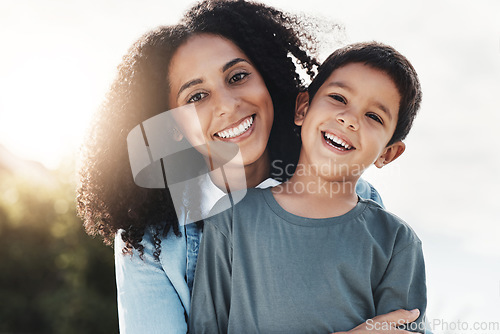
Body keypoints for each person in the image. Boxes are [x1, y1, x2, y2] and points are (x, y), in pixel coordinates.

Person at [76, 0, 420, 332]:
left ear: (266, 78)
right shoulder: (147, 239)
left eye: (238, 76)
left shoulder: (358, 200)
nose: (228, 106)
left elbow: (402, 322)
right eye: (196, 96)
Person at [190, 41, 427, 333]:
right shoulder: (232, 219)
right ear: (303, 108)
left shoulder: (396, 243)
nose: (349, 119)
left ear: (388, 153)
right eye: (339, 98)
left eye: (374, 117)